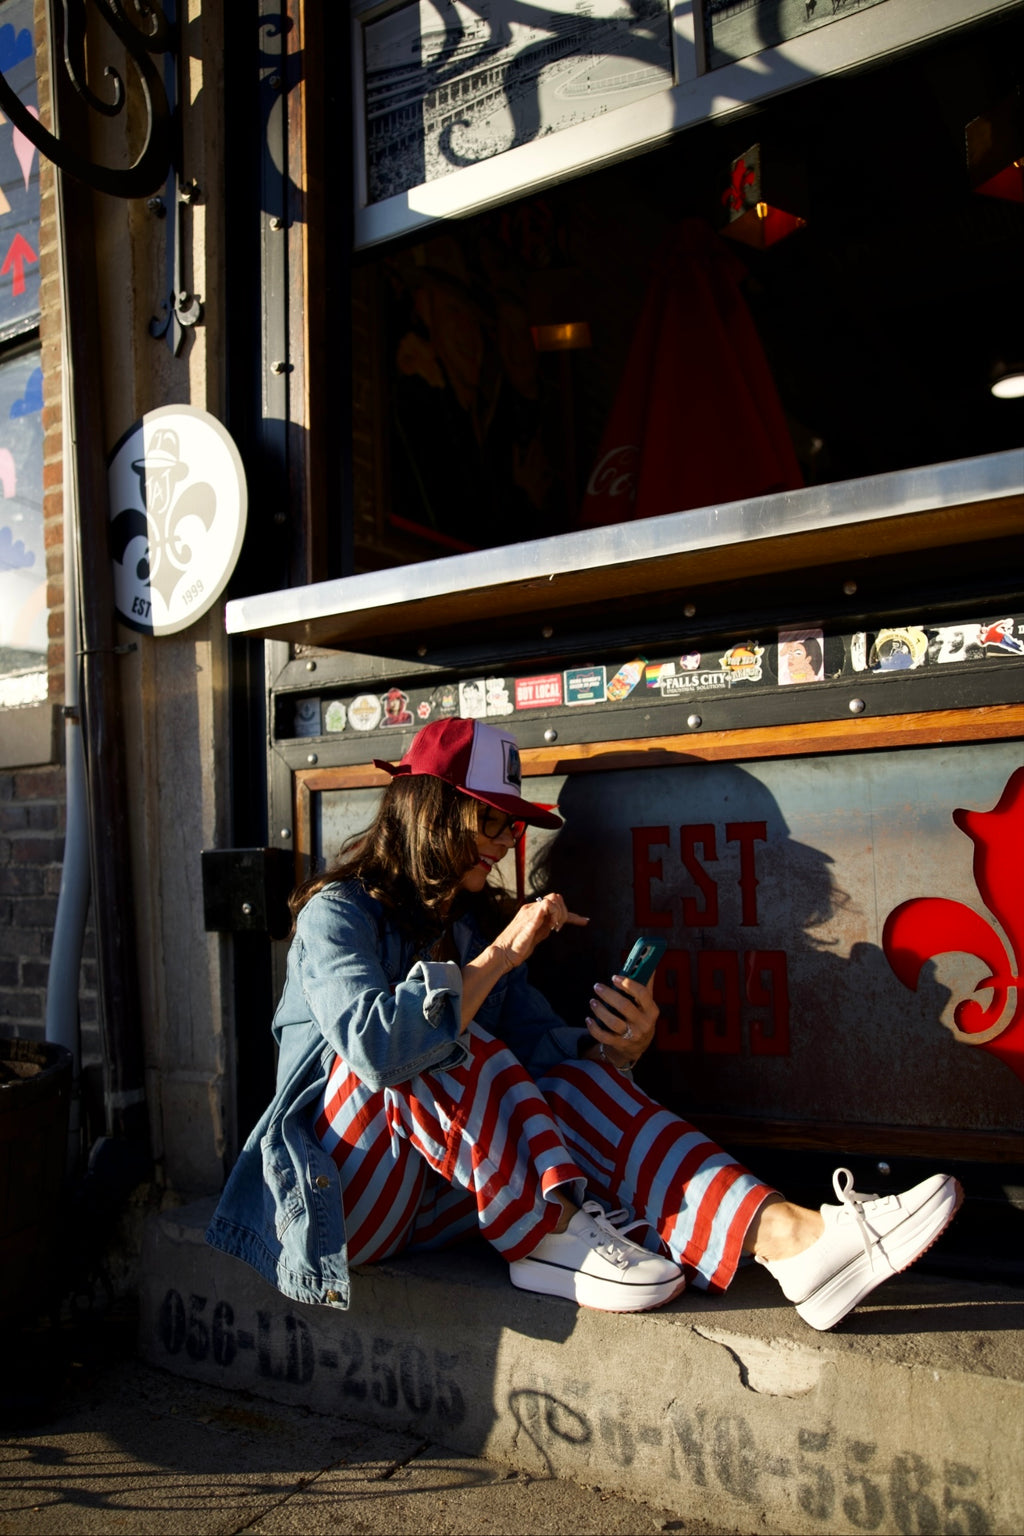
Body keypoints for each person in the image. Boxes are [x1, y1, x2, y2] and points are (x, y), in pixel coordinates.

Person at [206, 718, 961, 1330]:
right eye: (491, 821)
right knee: (435, 1039)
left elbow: (543, 1061)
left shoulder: (471, 930)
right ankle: (550, 1232)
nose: (505, 844)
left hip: (445, 1203)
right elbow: (375, 1048)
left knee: (561, 1075)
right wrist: (502, 955)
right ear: (431, 809)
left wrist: (618, 1047)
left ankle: (794, 1242)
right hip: (339, 1203)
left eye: (513, 826)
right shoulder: (338, 915)